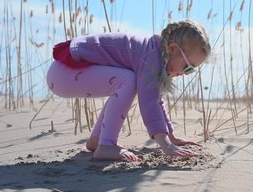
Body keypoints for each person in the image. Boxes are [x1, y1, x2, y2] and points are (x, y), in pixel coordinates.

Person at [47, 19, 211, 162]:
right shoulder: (150, 57)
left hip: (64, 73)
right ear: (173, 49)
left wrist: (171, 137)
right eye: (188, 67)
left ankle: (97, 140)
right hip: (65, 72)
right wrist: (165, 144)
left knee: (126, 78)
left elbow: (156, 98)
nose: (184, 74)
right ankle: (106, 145)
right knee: (127, 80)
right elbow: (149, 103)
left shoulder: (155, 53)